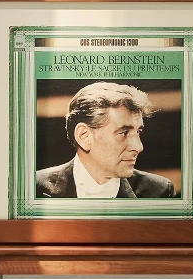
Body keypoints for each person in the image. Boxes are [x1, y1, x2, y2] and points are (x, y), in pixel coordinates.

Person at [36, 81, 177, 199]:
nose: (138, 147)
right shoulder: (33, 186)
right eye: (123, 132)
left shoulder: (160, 192)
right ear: (84, 136)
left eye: (138, 131)